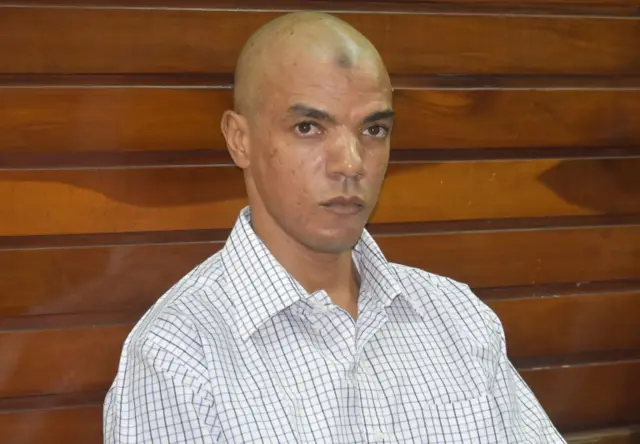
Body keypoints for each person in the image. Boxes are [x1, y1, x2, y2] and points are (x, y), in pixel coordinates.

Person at [103, 11, 565, 444]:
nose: (350, 163)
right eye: (308, 127)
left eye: (373, 130)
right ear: (239, 140)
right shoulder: (178, 356)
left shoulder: (456, 317)